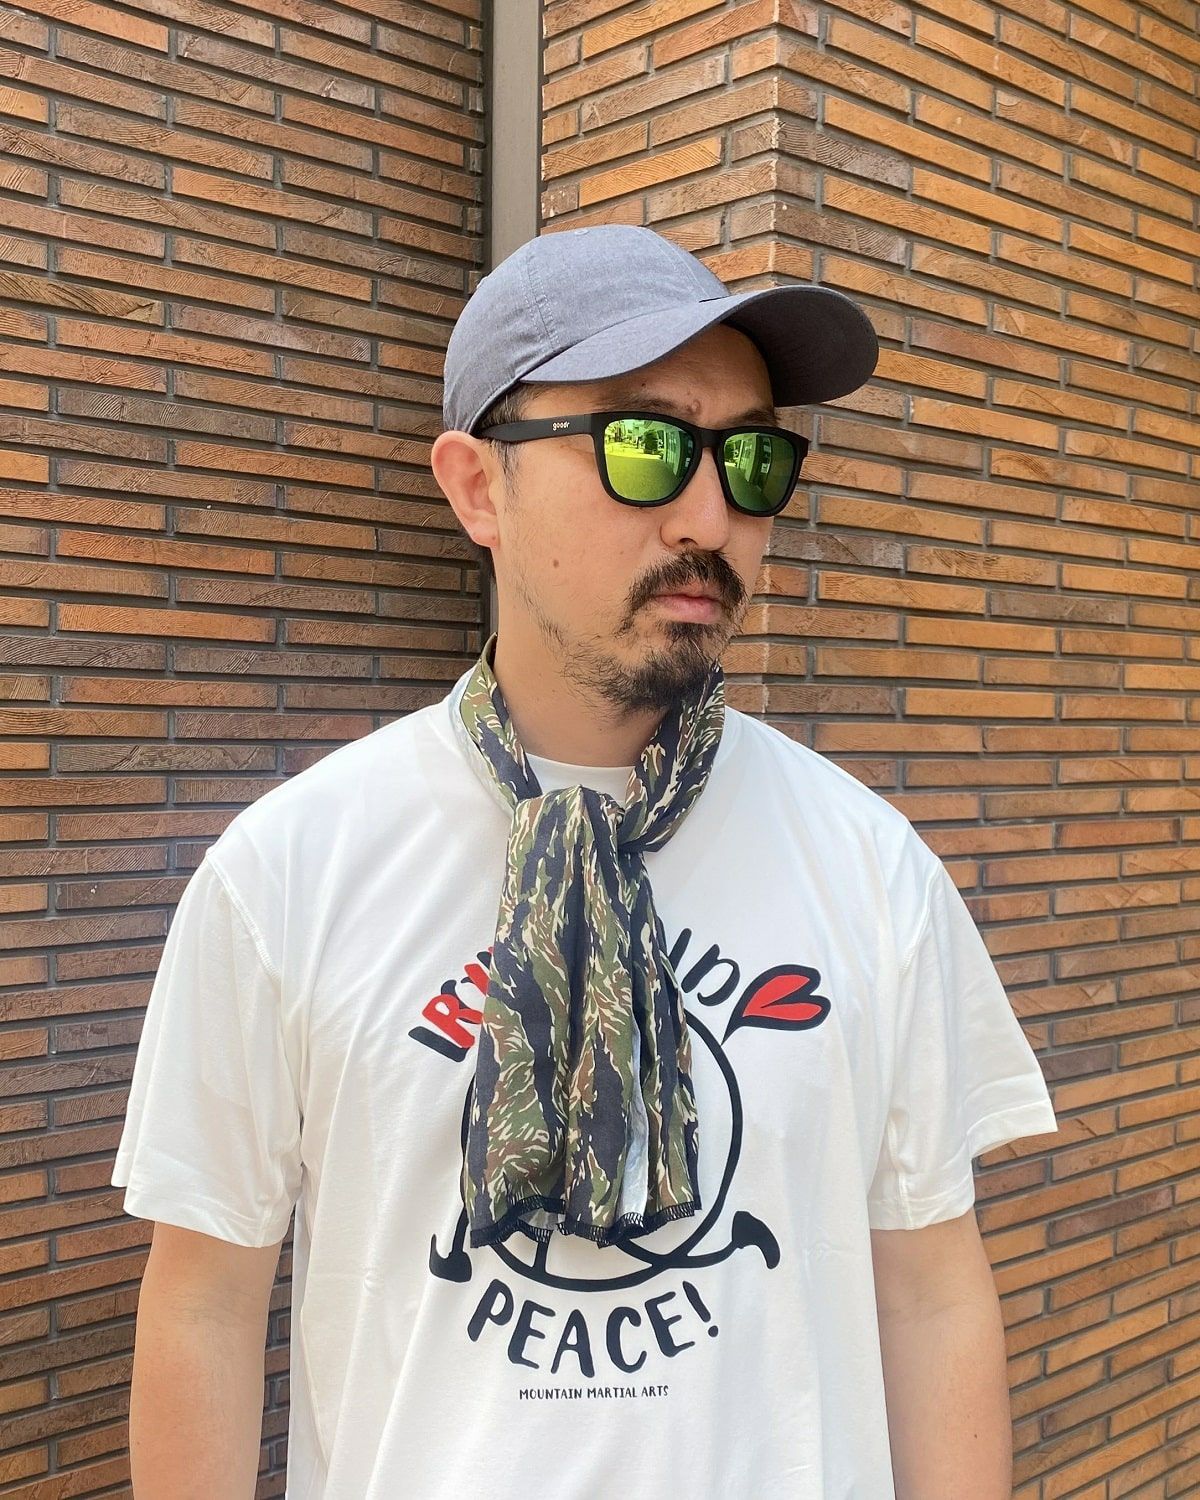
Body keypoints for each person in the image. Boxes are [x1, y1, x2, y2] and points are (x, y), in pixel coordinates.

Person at [112, 224, 1059, 1498]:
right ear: (477, 488)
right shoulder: (288, 873)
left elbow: (931, 1293)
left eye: (753, 458)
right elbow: (205, 1306)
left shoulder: (871, 868)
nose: (711, 514)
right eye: (646, 444)